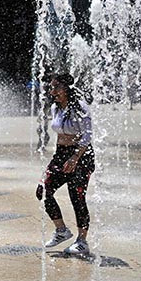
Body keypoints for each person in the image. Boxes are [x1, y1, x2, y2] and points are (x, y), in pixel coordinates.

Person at [36, 73, 96, 257]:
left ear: (66, 90)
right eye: (51, 87)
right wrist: (58, 159)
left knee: (76, 197)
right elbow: (60, 135)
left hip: (81, 155)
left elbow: (87, 135)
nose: (52, 91)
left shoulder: (80, 107)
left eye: (56, 87)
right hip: (61, 155)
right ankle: (61, 230)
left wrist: (74, 158)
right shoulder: (55, 108)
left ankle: (82, 241)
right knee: (43, 190)